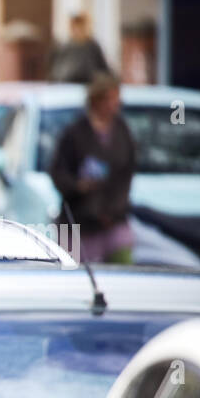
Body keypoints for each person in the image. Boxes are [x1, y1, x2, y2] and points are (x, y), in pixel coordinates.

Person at [49, 72, 136, 265]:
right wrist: (78, 186)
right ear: (97, 100)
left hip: (114, 221)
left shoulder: (122, 131)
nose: (116, 104)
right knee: (74, 272)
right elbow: (58, 172)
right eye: (111, 99)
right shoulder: (75, 133)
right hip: (79, 222)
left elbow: (126, 174)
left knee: (123, 270)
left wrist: (113, 210)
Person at [50, 13, 110, 85]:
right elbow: (56, 70)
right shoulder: (64, 47)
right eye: (75, 27)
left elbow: (104, 69)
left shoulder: (92, 46)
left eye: (80, 27)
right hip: (67, 84)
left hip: (88, 84)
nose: (78, 30)